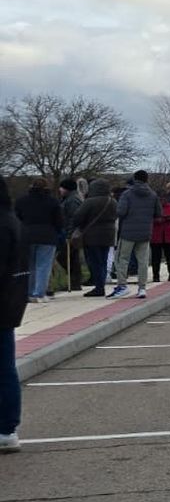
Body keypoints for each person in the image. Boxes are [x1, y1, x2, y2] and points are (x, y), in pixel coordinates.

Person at [1, 179, 26, 453]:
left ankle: (7, 427)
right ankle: (7, 428)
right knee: (5, 369)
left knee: (4, 370)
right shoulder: (12, 220)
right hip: (10, 303)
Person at [109, 170, 159, 299]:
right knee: (143, 261)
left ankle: (122, 286)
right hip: (145, 232)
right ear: (147, 179)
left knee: (122, 259)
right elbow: (158, 213)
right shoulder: (153, 195)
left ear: (134, 179)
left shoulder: (127, 194)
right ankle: (142, 288)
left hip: (128, 232)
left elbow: (120, 212)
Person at [15, 179, 63, 303]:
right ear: (46, 187)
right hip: (47, 236)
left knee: (29, 265)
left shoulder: (21, 201)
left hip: (26, 236)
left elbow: (16, 218)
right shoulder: (53, 201)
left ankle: (29, 293)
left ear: (31, 186)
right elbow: (59, 221)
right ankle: (39, 293)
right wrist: (57, 233)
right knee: (44, 266)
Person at [74, 179, 117, 297]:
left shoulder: (89, 202)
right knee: (103, 261)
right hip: (109, 235)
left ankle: (99, 287)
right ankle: (101, 284)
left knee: (94, 262)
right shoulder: (112, 201)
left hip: (92, 235)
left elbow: (78, 217)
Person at [57, 177, 86, 291]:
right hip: (71, 232)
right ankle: (75, 282)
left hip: (71, 233)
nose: (60, 189)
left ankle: (75, 281)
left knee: (65, 257)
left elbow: (73, 219)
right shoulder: (69, 198)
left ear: (67, 189)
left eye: (62, 187)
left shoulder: (72, 200)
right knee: (72, 258)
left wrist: (69, 234)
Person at [150, 194, 170, 283]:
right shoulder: (153, 207)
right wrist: (157, 220)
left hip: (168, 236)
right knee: (156, 258)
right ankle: (156, 276)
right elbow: (148, 218)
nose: (163, 200)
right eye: (161, 199)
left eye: (164, 198)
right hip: (156, 236)